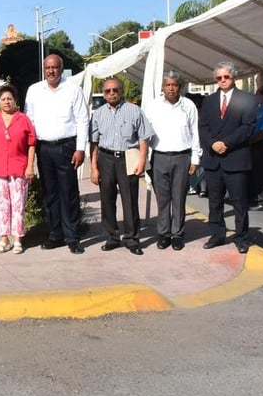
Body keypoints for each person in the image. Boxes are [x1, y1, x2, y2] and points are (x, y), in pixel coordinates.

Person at [24, 54, 90, 254]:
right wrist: (31, 150)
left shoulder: (72, 89)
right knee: (50, 193)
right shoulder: (34, 90)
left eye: (54, 67)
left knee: (68, 193)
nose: (51, 71)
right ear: (44, 70)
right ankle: (55, 235)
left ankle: (72, 237)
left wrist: (80, 149)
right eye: (48, 68)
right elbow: (30, 120)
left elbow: (82, 119)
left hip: (66, 148)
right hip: (44, 148)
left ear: (61, 69)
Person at [198, 61, 257, 254]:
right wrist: (213, 143)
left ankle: (242, 238)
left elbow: (247, 127)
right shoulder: (208, 101)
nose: (223, 80)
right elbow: (203, 127)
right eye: (219, 78)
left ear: (234, 77)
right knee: (214, 201)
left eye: (226, 77)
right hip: (213, 160)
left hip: (236, 159)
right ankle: (217, 235)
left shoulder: (247, 99)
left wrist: (226, 143)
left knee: (239, 202)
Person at [89, 78, 152, 255]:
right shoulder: (98, 114)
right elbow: (93, 143)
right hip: (106, 158)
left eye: (115, 90)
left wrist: (142, 160)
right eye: (107, 90)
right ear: (103, 93)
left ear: (121, 91)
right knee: (107, 200)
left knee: (130, 200)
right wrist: (93, 167)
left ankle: (132, 239)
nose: (111, 93)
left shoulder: (134, 111)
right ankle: (112, 237)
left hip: (128, 157)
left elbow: (144, 137)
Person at [142, 71, 201, 251]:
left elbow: (194, 133)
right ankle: (164, 234)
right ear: (162, 87)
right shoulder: (152, 106)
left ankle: (178, 234)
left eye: (174, 85)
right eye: (167, 85)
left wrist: (195, 158)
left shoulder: (188, 105)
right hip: (159, 157)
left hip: (182, 157)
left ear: (179, 87)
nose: (171, 88)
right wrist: (144, 160)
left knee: (179, 198)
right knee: (163, 199)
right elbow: (144, 133)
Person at [0, 84, 36, 254]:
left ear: (15, 101)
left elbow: (31, 143)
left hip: (19, 169)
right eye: (3, 99)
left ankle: (17, 239)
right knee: (0, 206)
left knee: (18, 205)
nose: (6, 102)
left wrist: (30, 166)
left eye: (9, 99)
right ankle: (3, 239)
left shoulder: (23, 119)